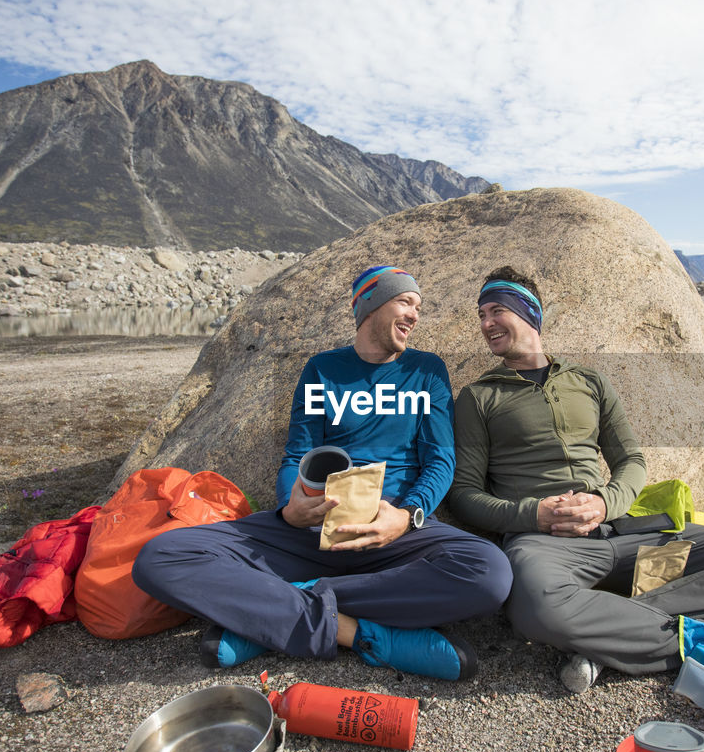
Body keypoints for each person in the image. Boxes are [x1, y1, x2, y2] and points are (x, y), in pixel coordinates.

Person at [134, 266, 512, 681]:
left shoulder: (425, 371)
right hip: (310, 534)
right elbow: (297, 455)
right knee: (160, 557)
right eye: (405, 302)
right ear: (371, 305)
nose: (415, 316)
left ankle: (275, 611)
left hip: (396, 535)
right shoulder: (322, 370)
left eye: (418, 307)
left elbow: (440, 460)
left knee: (489, 573)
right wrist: (290, 509)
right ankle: (364, 635)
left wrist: (407, 516)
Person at [448, 266, 704, 692]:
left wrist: (604, 502)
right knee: (535, 611)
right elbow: (465, 494)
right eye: (481, 314)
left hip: (629, 538)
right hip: (546, 548)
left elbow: (631, 459)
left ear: (530, 313)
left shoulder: (589, 382)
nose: (486, 324)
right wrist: (534, 515)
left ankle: (610, 636)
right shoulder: (478, 397)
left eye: (496, 310)